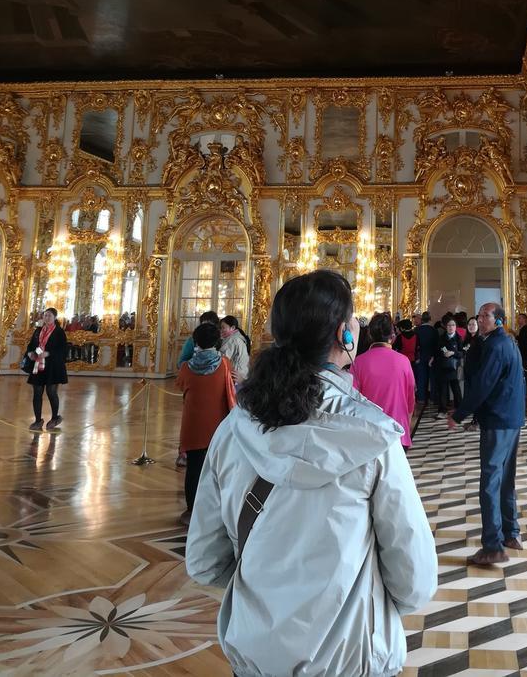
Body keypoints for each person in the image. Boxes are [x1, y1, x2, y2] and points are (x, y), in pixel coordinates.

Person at [186, 270, 437, 677]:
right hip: (352, 659)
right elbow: (415, 580)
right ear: (344, 334)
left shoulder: (231, 431)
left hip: (256, 658)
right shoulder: (373, 437)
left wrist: (268, 586)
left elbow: (203, 561)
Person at [448, 302, 525, 567]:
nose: (480, 319)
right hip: (511, 419)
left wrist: (459, 414)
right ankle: (511, 532)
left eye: (485, 316)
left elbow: (483, 385)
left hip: (498, 420)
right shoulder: (505, 342)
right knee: (505, 478)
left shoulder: (495, 345)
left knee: (490, 481)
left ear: (498, 320)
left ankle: (493, 546)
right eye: (479, 315)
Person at [175, 319, 236, 520]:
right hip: (218, 426)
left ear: (195, 341)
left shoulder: (186, 367)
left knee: (193, 469)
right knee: (218, 469)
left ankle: (191, 510)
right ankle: (215, 510)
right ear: (217, 341)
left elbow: (180, 385)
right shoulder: (224, 364)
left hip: (193, 425)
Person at [351, 313, 415, 449]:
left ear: (369, 334)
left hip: (369, 432)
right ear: (392, 335)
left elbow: (353, 401)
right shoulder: (403, 361)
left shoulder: (358, 362)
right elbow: (410, 399)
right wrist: (407, 425)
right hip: (398, 430)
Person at [26, 307, 68, 431]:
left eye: (49, 315)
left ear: (55, 317)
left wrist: (48, 353)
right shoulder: (38, 330)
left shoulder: (59, 332)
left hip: (53, 366)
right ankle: (38, 420)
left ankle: (55, 418)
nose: (47, 317)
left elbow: (63, 349)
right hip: (38, 365)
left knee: (51, 392)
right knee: (37, 393)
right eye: (45, 315)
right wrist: (30, 353)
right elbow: (31, 345)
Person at [435, 315, 463, 418]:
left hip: (454, 367)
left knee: (456, 388)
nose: (451, 327)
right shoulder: (441, 337)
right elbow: (437, 350)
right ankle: (442, 410)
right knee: (443, 389)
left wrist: (453, 353)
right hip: (443, 365)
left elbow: (462, 353)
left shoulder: (458, 338)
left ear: (456, 326)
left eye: (453, 325)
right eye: (449, 325)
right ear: (445, 327)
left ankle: (459, 409)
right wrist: (444, 353)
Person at [414, 310, 437, 402]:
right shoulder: (433, 330)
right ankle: (433, 397)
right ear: (430, 319)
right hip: (431, 356)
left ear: (422, 320)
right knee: (432, 379)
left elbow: (415, 345)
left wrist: (417, 356)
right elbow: (436, 345)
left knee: (421, 378)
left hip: (421, 356)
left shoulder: (417, 330)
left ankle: (421, 397)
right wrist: (434, 355)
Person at [220, 314, 251, 383]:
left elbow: (223, 358)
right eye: (220, 328)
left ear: (232, 328)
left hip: (236, 376)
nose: (221, 330)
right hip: (242, 374)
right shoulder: (237, 336)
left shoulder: (233, 339)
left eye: (223, 328)